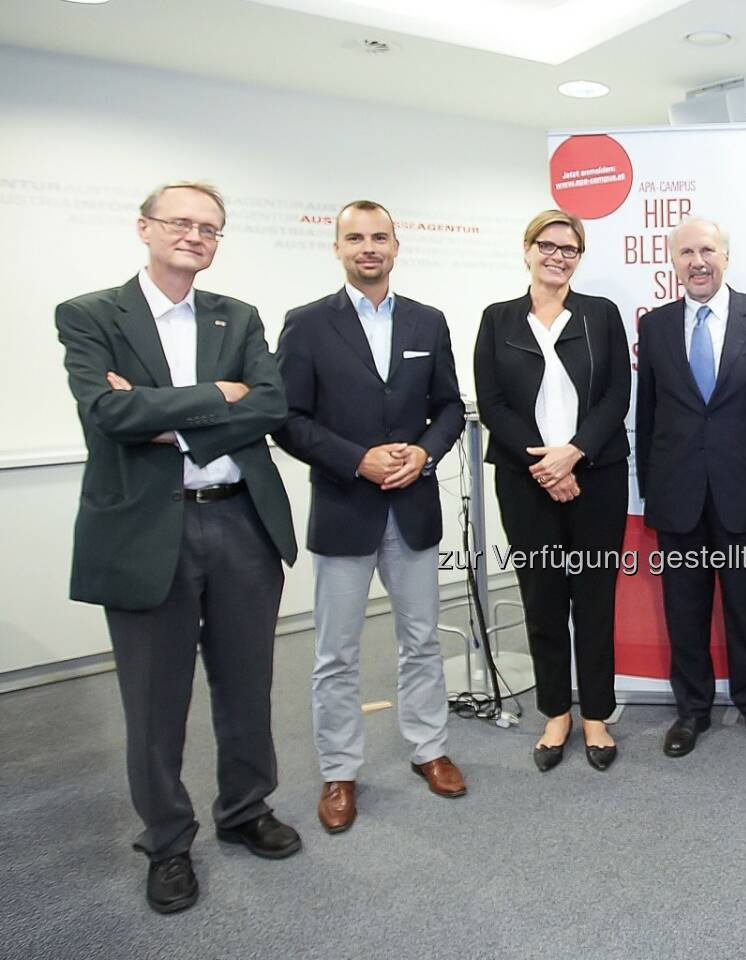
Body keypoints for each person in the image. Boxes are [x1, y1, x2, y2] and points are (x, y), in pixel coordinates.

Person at [55, 181, 301, 914]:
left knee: (247, 686)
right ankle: (166, 841)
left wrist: (167, 415)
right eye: (181, 223)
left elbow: (270, 404)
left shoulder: (239, 316)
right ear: (146, 229)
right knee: (155, 702)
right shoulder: (91, 314)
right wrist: (216, 396)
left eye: (210, 228)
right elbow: (107, 412)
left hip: (240, 524)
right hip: (144, 530)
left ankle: (246, 809)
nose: (196, 236)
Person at [275, 199, 467, 834]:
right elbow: (288, 421)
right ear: (336, 248)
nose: (368, 248)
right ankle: (339, 770)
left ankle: (429, 749)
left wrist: (425, 451)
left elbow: (447, 408)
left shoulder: (427, 321)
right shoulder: (305, 326)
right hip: (344, 508)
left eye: (379, 237)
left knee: (420, 642)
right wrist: (356, 460)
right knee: (336, 653)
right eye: (355, 238)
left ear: (395, 246)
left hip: (412, 508)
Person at [473, 209, 631, 772]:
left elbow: (617, 396)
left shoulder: (600, 315)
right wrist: (545, 464)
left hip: (597, 473)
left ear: (579, 257)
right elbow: (491, 402)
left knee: (594, 599)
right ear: (527, 248)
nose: (558, 256)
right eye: (548, 245)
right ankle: (555, 713)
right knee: (541, 601)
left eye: (570, 248)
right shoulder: (498, 319)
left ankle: (596, 715)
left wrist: (574, 453)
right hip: (525, 479)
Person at [635, 217, 746, 758]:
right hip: (678, 492)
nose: (697, 261)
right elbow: (650, 411)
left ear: (725, 257)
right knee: (685, 608)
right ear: (674, 262)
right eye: (685, 253)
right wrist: (650, 489)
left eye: (707, 250)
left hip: (743, 489)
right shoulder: (655, 326)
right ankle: (692, 711)